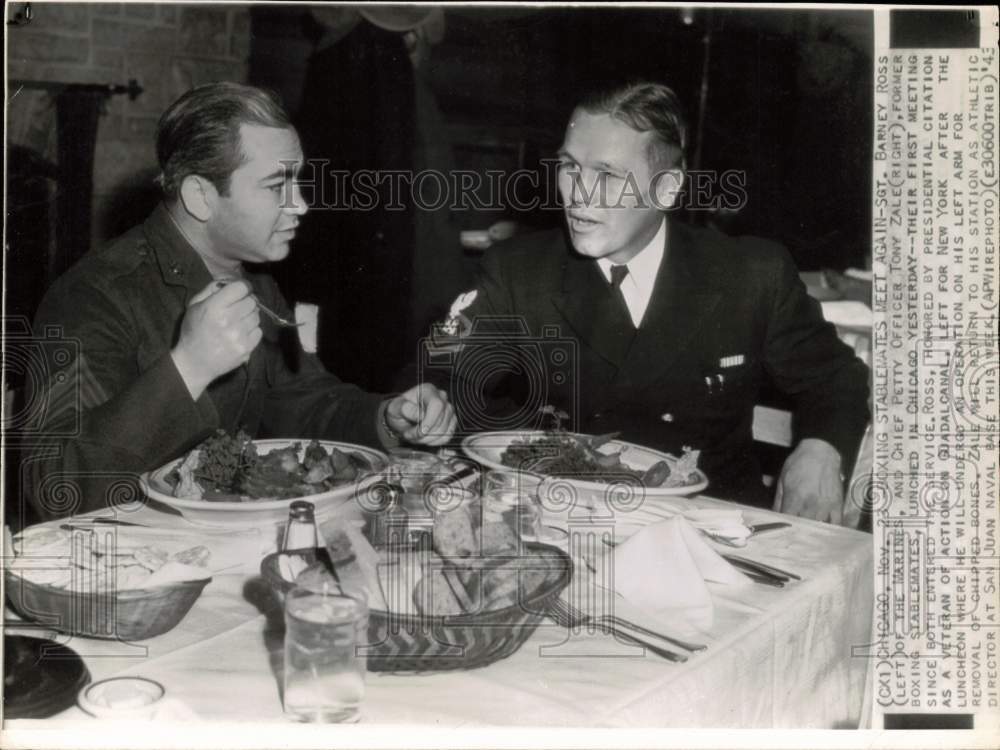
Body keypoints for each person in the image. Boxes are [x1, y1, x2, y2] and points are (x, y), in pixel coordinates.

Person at [425, 82, 869, 523]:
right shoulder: (518, 269)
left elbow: (837, 378)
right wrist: (423, 403)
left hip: (712, 527)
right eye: (569, 166)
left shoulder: (750, 274)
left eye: (608, 174)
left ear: (666, 189)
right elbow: (443, 369)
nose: (578, 193)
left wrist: (822, 448)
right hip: (563, 520)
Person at [23, 82, 455, 522]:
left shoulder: (260, 288)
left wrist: (387, 416)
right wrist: (188, 367)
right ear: (200, 197)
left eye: (298, 180)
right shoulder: (92, 294)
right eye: (276, 185)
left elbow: (306, 400)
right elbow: (57, 487)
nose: (301, 204)